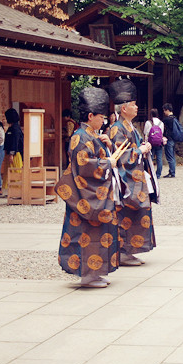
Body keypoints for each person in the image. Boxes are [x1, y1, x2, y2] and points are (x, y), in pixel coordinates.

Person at [55, 87, 129, 288]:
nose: (103, 121)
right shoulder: (80, 136)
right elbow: (85, 164)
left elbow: (98, 158)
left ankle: (97, 271)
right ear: (90, 115)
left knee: (100, 233)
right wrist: (107, 163)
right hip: (86, 194)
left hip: (98, 192)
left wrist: (106, 147)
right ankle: (88, 274)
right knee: (86, 234)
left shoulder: (92, 135)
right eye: (101, 117)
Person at [108, 80, 158, 267]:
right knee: (126, 214)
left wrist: (144, 148)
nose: (137, 107)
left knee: (138, 213)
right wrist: (140, 151)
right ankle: (123, 250)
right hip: (125, 180)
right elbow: (121, 155)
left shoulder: (129, 126)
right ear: (123, 109)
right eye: (133, 105)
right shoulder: (116, 129)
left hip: (136, 177)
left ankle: (131, 249)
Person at [143, 108, 166, 178]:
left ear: (151, 114)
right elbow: (161, 132)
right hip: (159, 142)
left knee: (151, 158)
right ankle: (158, 174)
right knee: (159, 158)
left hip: (150, 143)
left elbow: (145, 132)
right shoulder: (161, 123)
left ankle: (150, 172)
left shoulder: (148, 122)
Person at [162, 103, 177, 178]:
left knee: (170, 157)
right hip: (174, 139)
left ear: (167, 110)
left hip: (169, 139)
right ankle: (172, 171)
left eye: (164, 110)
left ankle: (172, 172)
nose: (164, 112)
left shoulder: (167, 119)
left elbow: (163, 129)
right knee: (173, 156)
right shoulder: (175, 118)